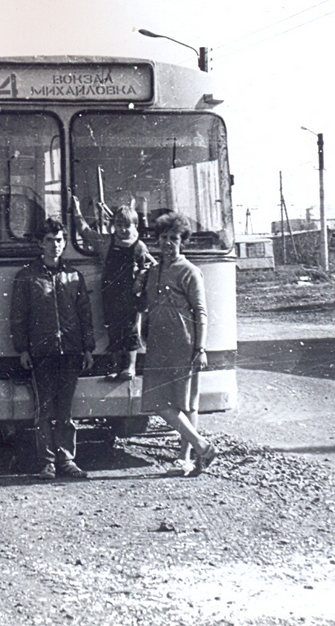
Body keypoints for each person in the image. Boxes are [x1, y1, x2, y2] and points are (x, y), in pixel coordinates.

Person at [10, 218, 95, 480]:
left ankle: (67, 460)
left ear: (65, 243)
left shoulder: (74, 276)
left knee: (66, 411)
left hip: (70, 351)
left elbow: (84, 314)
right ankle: (47, 463)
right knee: (44, 411)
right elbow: (18, 316)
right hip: (41, 351)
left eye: (59, 240)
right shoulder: (27, 276)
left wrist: (87, 348)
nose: (55, 245)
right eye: (49, 240)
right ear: (40, 244)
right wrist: (22, 349)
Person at [140, 211, 216, 476]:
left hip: (183, 343)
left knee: (185, 403)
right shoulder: (152, 271)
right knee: (157, 399)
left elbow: (201, 312)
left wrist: (201, 348)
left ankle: (186, 458)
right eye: (164, 237)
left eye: (174, 238)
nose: (168, 243)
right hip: (157, 342)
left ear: (182, 241)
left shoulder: (190, 271)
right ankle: (201, 446)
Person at [71, 196, 155, 380]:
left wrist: (140, 280)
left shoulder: (139, 246)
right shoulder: (106, 242)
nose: (123, 229)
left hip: (131, 293)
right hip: (110, 292)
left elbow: (149, 266)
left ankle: (130, 366)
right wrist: (76, 210)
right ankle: (115, 365)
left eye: (127, 225)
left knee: (131, 329)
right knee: (113, 329)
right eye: (119, 225)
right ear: (113, 225)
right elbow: (85, 232)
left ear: (135, 226)